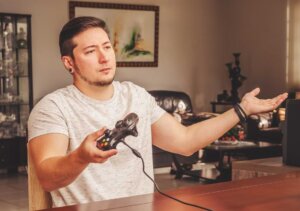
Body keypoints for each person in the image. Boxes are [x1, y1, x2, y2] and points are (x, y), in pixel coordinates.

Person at [27, 16, 287, 208]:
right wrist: (81, 157)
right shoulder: (53, 107)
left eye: (107, 47)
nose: (105, 58)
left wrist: (242, 110)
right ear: (69, 62)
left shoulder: (135, 95)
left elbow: (185, 143)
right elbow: (48, 178)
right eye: (91, 51)